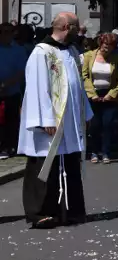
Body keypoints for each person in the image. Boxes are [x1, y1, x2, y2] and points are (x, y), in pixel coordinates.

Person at [18, 13, 93, 229]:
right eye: (76, 27)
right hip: (50, 122)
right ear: (66, 26)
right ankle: (39, 212)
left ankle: (69, 211)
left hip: (69, 121)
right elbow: (36, 88)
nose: (79, 32)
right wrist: (45, 119)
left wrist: (84, 114)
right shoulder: (41, 52)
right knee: (44, 165)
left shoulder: (71, 50)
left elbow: (77, 85)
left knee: (69, 162)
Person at [82, 33, 118, 164]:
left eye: (110, 47)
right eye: (105, 46)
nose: (107, 49)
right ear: (100, 44)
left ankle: (106, 152)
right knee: (94, 125)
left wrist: (112, 94)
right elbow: (85, 76)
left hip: (109, 95)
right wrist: (92, 94)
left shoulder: (116, 58)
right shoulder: (89, 56)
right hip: (93, 94)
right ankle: (94, 151)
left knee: (108, 124)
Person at [0, 23, 28, 159]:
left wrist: (5, 85)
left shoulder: (18, 50)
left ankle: (9, 146)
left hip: (11, 91)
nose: (5, 35)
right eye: (2, 32)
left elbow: (21, 71)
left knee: (11, 121)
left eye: (8, 32)